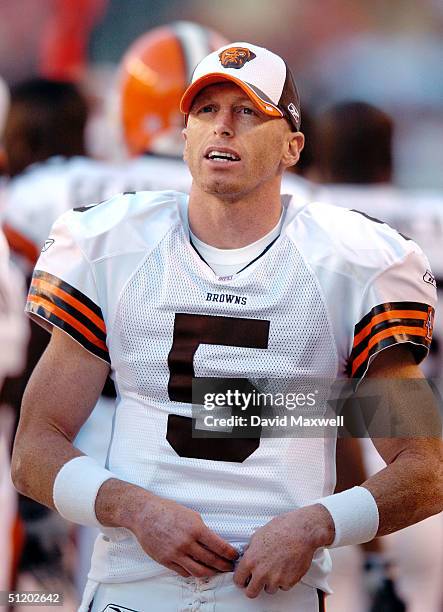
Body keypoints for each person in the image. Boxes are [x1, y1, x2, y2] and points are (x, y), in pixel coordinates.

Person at [12, 42, 442, 612]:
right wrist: (133, 509)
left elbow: (427, 465)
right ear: (184, 133)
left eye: (247, 112)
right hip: (131, 584)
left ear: (293, 146)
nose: (223, 127)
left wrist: (315, 525)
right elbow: (34, 450)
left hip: (274, 593)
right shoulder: (112, 245)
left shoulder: (349, 260)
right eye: (207, 110)